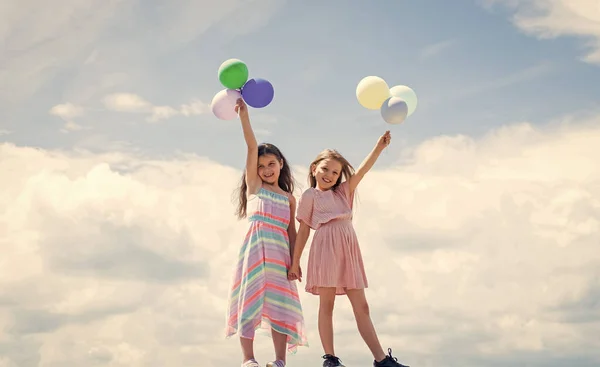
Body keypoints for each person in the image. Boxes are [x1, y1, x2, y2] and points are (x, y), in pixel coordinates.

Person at [288, 131, 409, 367]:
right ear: (314, 168)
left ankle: (381, 360)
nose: (329, 175)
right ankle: (330, 359)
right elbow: (303, 230)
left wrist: (378, 147)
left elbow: (363, 170)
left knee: (362, 306)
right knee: (327, 305)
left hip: (348, 247)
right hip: (325, 248)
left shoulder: (343, 192)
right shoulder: (310, 195)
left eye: (335, 172)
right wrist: (295, 261)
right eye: (325, 169)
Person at [226, 98, 308, 367]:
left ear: (280, 164)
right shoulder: (254, 188)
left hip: (280, 256)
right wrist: (244, 116)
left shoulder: (289, 198)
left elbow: (293, 234)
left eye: (271, 164)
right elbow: (251, 146)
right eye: (261, 166)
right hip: (255, 252)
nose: (266, 170)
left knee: (280, 305)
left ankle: (280, 360)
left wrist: (295, 263)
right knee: (249, 301)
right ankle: (248, 359)